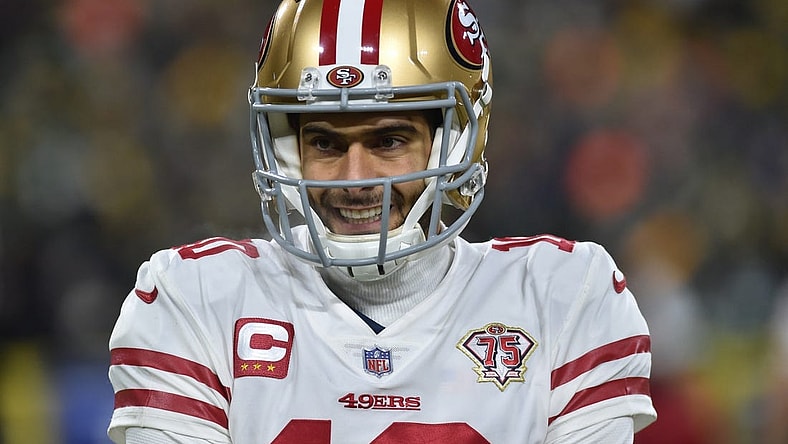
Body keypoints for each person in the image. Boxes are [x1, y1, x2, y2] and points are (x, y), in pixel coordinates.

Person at [107, 0, 657, 442]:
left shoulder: (564, 297)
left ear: (453, 145)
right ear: (286, 154)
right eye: (324, 142)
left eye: (389, 140)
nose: (355, 177)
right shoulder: (194, 300)